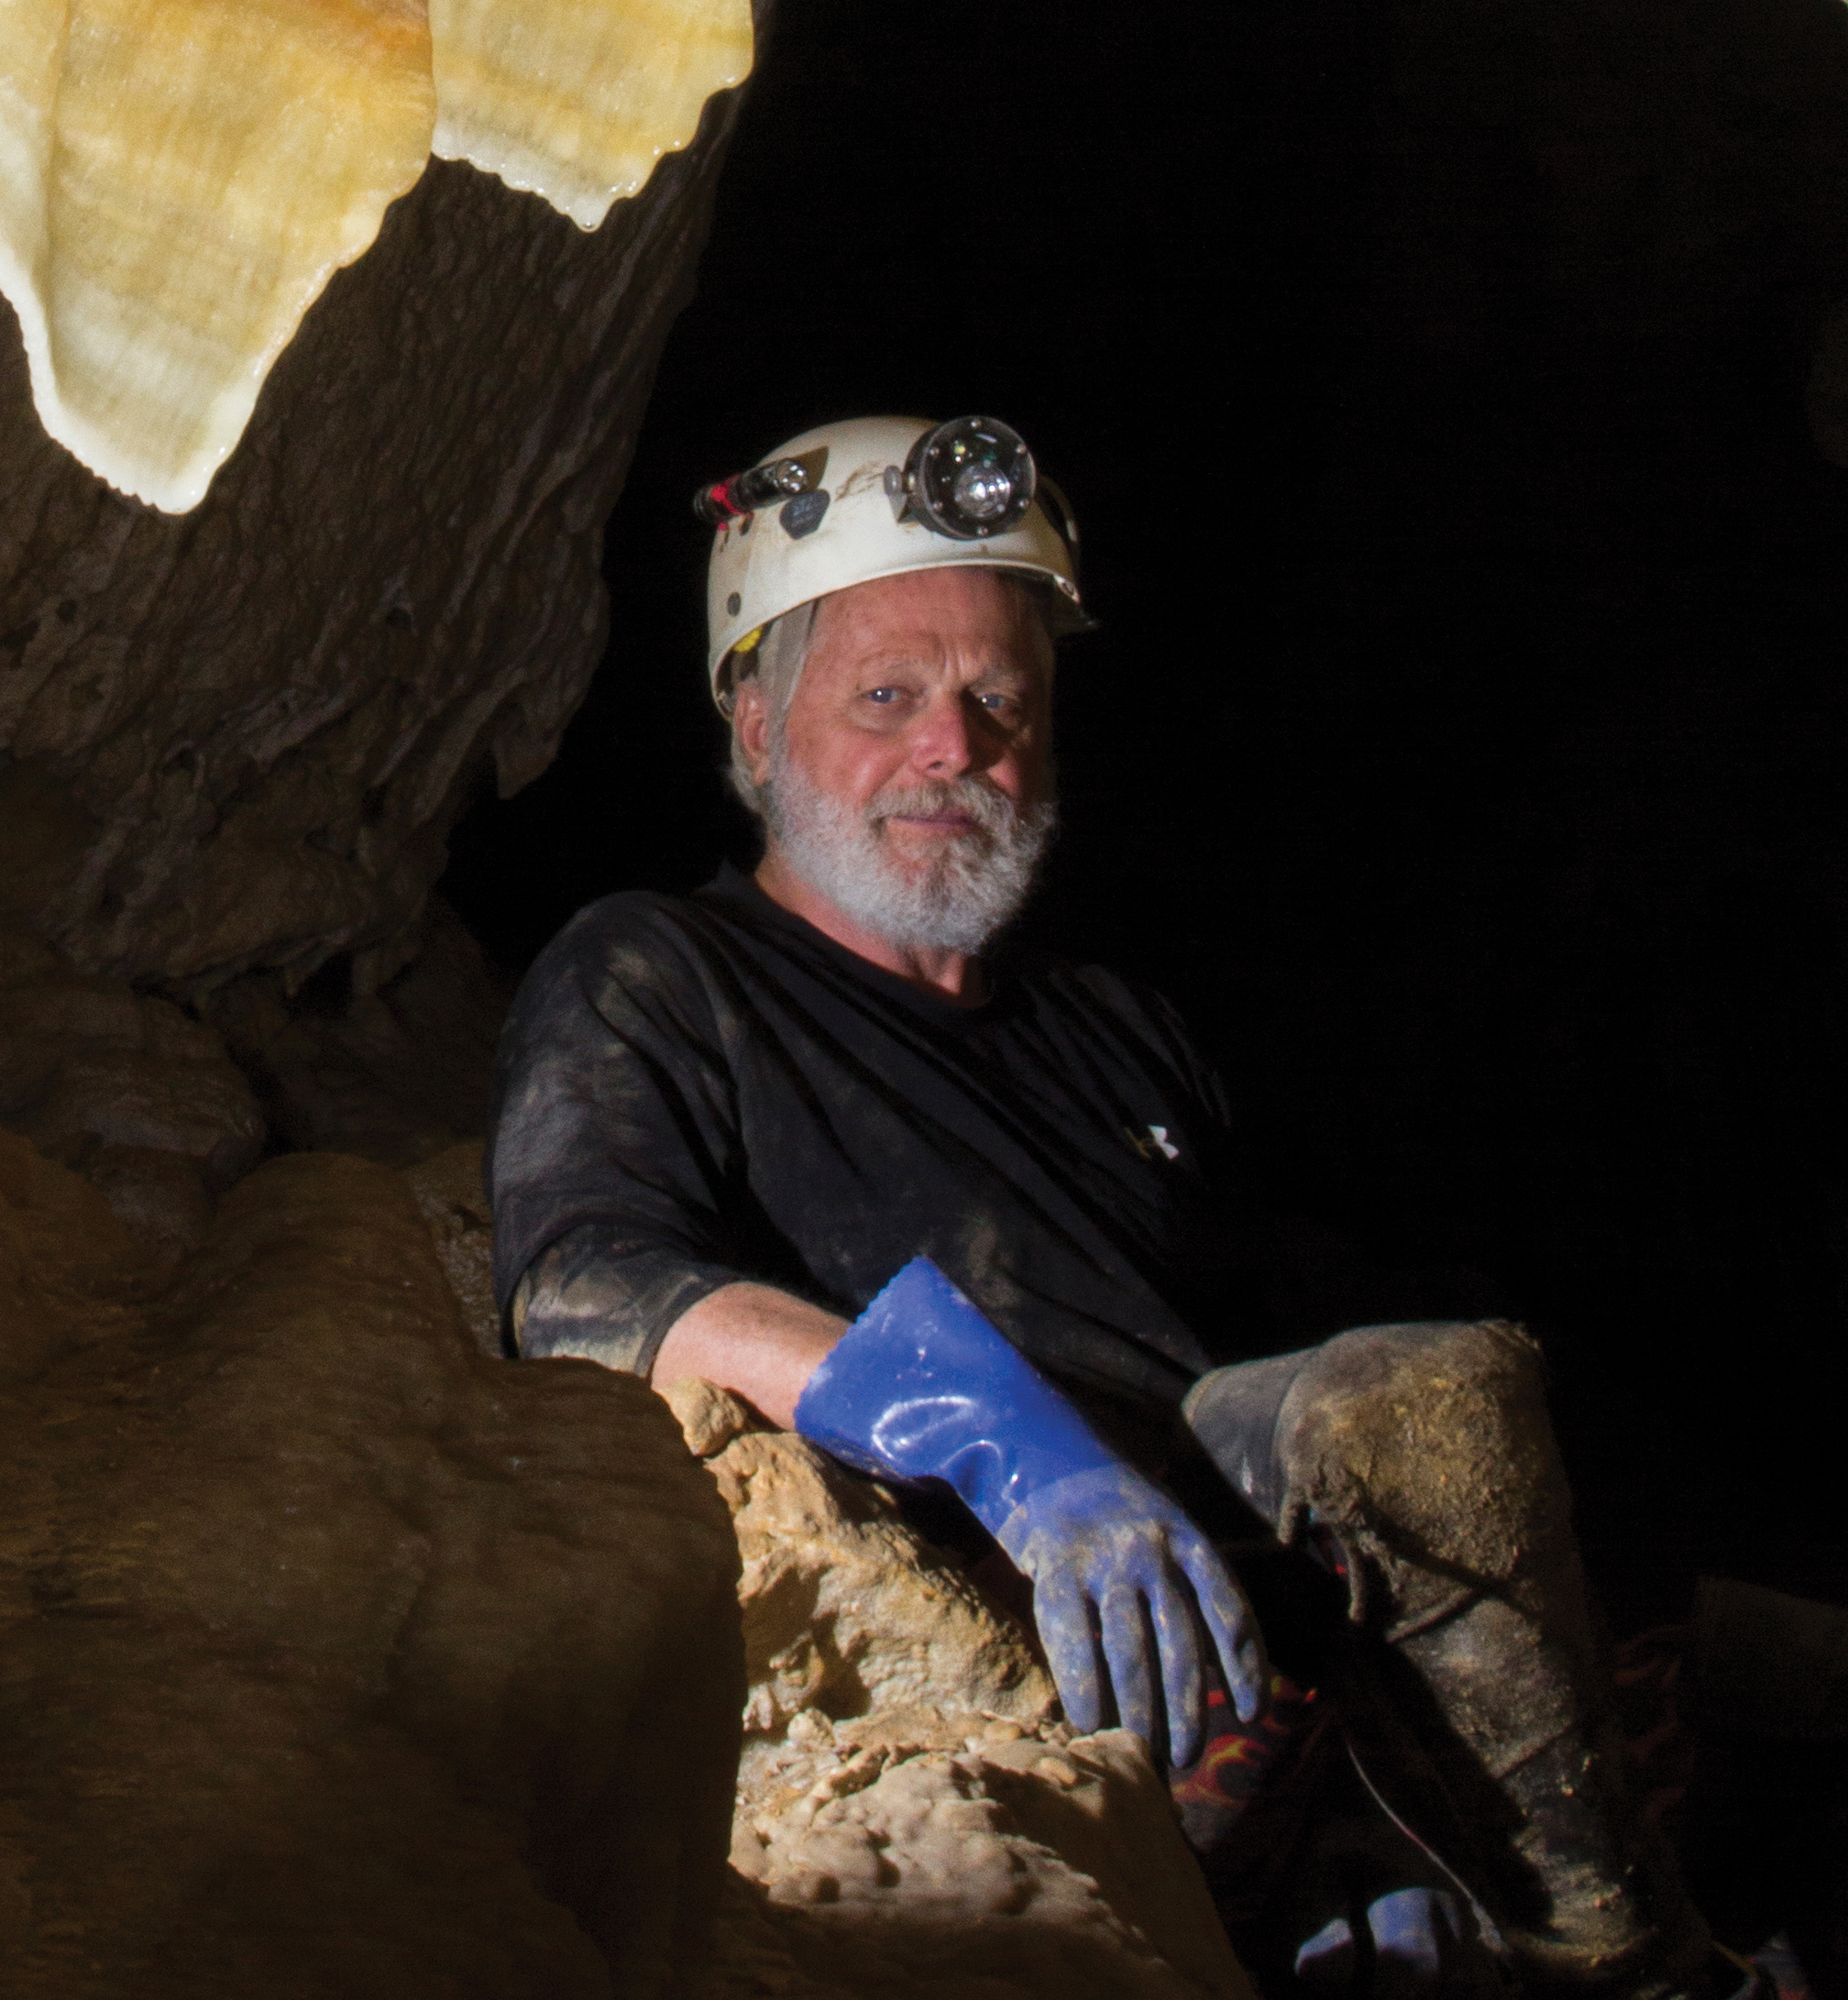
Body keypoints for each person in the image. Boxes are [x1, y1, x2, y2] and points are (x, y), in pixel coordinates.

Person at [483, 415, 1741, 1998]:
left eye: (999, 698)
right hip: (1065, 1657)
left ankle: (1460, 1859)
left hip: (1281, 1651)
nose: (956, 748)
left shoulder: (1114, 1030)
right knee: (1426, 1406)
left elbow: (1311, 1336)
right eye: (886, 698)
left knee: (1520, 1409)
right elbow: (587, 1283)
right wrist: (989, 1428)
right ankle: (1624, 1978)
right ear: (752, 722)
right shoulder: (659, 972)